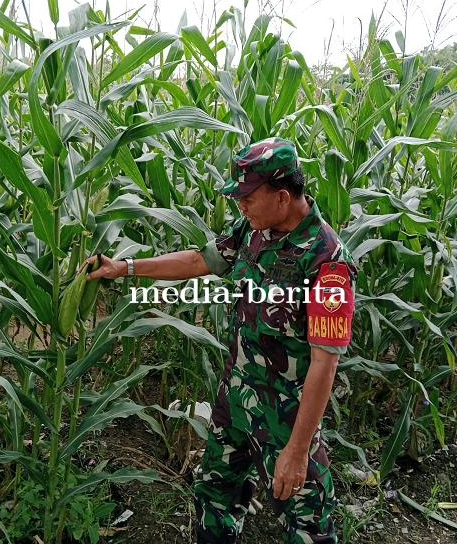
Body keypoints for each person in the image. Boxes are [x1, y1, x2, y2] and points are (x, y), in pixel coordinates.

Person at [83, 137, 357, 543]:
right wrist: (124, 267)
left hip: (286, 420)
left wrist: (297, 453)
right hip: (235, 404)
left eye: (247, 197)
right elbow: (199, 260)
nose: (240, 206)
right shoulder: (253, 229)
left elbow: (324, 363)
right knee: (213, 499)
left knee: (308, 526)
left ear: (283, 198)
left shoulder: (327, 263)